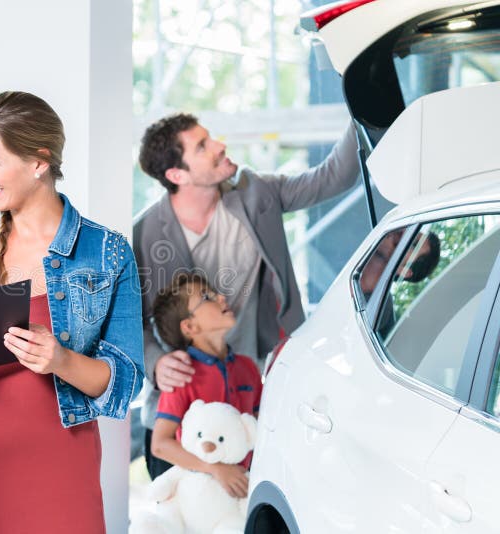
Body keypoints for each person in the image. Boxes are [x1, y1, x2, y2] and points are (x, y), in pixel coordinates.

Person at [0, 91, 144, 533]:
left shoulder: (106, 252)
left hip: (60, 467)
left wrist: (61, 360)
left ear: (38, 162)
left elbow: (125, 384)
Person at [134, 113, 361, 479]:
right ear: (177, 175)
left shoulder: (256, 194)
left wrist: (362, 95)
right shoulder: (143, 234)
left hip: (252, 410)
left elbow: (335, 176)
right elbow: (129, 321)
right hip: (182, 421)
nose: (220, 146)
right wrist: (155, 361)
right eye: (203, 146)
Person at [150, 273, 262, 498]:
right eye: (207, 297)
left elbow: (261, 428)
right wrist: (216, 469)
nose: (221, 297)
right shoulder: (182, 376)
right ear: (189, 326)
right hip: (199, 494)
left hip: (247, 489)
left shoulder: (248, 368)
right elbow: (160, 444)